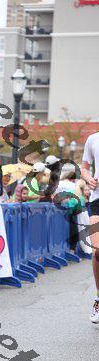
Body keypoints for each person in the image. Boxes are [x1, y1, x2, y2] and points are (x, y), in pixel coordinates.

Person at [81, 131, 99, 323]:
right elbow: (84, 168)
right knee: (97, 252)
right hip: (97, 200)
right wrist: (89, 179)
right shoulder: (93, 139)